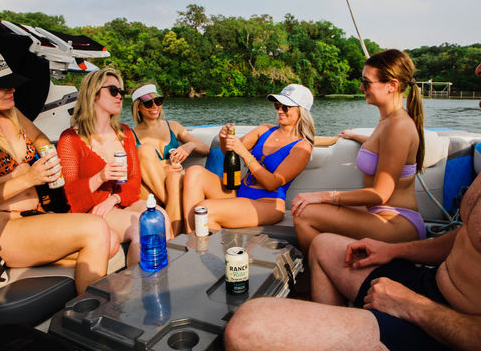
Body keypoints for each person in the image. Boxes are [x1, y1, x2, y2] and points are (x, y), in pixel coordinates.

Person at [224, 0, 481, 350]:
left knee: (246, 325)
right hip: (434, 288)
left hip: (451, 324)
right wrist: (396, 253)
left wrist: (415, 307)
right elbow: (468, 238)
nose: (479, 69)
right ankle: (329, 324)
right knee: (325, 245)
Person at [0, 50, 117, 295]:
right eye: (2, 85)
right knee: (96, 230)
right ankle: (89, 318)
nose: (12, 90)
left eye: (12, 83)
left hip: (31, 215)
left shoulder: (12, 113)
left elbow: (39, 137)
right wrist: (27, 178)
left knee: (111, 241)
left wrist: (49, 156)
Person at [291, 49, 426, 254]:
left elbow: (380, 194)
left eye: (367, 82)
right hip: (378, 215)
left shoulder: (398, 127)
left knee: (304, 213)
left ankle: (325, 270)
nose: (362, 87)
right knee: (305, 208)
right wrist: (356, 137)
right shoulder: (388, 121)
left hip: (396, 223)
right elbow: (383, 148)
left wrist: (322, 196)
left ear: (392, 85)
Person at [57, 68, 170, 266]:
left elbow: (134, 182)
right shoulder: (70, 139)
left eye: (121, 91)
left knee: (161, 217)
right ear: (93, 93)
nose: (120, 96)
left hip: (119, 202)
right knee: (140, 229)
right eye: (113, 90)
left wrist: (114, 199)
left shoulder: (124, 133)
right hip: (91, 210)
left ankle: (165, 277)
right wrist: (99, 177)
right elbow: (68, 195)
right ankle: (142, 291)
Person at [182, 84, 314, 232]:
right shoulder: (265, 130)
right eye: (277, 105)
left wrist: (244, 153)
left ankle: (211, 248)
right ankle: (188, 239)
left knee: (204, 209)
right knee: (194, 172)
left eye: (286, 107)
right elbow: (229, 152)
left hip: (268, 204)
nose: (279, 110)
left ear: (301, 110)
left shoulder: (302, 147)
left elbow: (272, 183)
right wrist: (224, 139)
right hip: (239, 193)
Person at [131, 82, 209, 236]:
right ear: (138, 107)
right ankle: (174, 211)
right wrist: (162, 166)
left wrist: (190, 145)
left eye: (158, 101)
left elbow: (205, 149)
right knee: (145, 151)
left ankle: (171, 238)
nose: (154, 106)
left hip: (174, 182)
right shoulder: (130, 135)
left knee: (175, 179)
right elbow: (132, 168)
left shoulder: (173, 126)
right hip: (150, 188)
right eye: (148, 103)